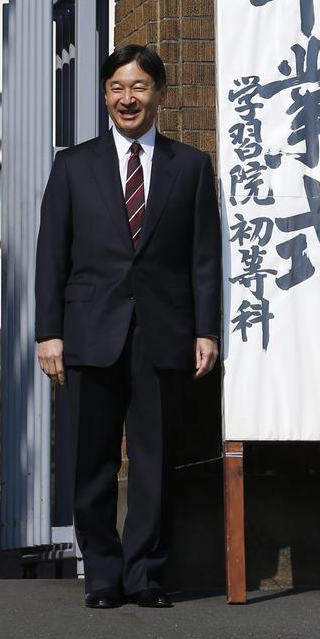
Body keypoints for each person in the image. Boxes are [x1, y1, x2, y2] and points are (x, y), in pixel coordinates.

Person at [35, 44, 221, 609]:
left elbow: (204, 259)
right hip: (89, 331)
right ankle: (102, 575)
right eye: (117, 87)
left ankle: (145, 575)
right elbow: (52, 257)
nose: (127, 98)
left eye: (139, 87)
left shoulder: (188, 166)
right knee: (91, 460)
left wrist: (206, 330)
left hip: (163, 333)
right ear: (105, 94)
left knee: (154, 461)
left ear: (160, 95)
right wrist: (49, 333)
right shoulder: (73, 165)